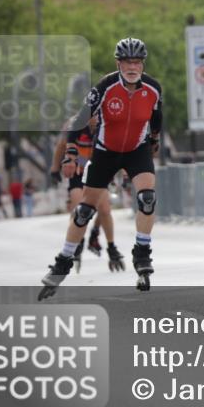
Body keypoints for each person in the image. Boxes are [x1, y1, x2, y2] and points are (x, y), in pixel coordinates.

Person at [38, 37, 162, 300]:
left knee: (147, 197)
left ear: (142, 64)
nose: (132, 66)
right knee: (84, 211)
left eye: (137, 62)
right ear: (118, 63)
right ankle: (63, 261)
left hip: (136, 150)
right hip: (105, 152)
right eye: (127, 61)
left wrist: (154, 140)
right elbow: (77, 121)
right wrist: (70, 153)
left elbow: (156, 116)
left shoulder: (153, 89)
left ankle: (142, 253)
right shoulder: (104, 87)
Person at [49, 117, 124, 273]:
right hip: (78, 171)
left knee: (104, 209)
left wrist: (121, 173)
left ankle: (111, 247)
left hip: (98, 171)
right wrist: (55, 168)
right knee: (78, 207)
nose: (97, 119)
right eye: (93, 116)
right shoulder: (74, 125)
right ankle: (77, 242)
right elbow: (61, 146)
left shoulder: (107, 124)